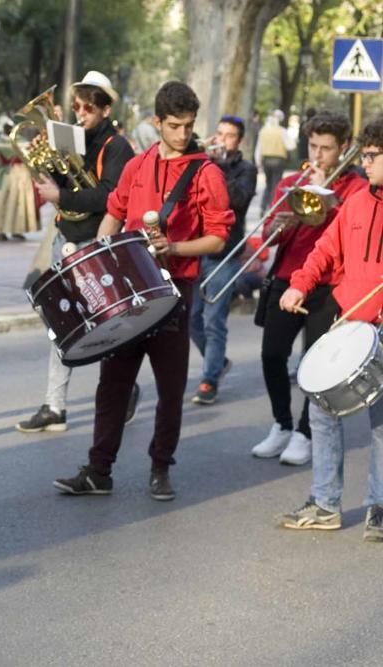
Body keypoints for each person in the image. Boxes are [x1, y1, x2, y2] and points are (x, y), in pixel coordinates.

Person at [53, 81, 234, 501]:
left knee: (170, 388)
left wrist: (174, 248)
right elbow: (113, 213)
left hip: (174, 289)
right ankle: (99, 470)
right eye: (174, 125)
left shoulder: (206, 173)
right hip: (129, 286)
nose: (183, 134)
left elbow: (219, 238)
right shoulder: (138, 164)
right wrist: (96, 260)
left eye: (188, 126)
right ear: (157, 123)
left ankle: (160, 467)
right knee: (112, 383)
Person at [275, 117, 383, 540]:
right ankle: (325, 504)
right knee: (320, 409)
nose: (366, 163)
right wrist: (298, 284)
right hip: (348, 321)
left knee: (381, 425)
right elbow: (324, 249)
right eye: (365, 155)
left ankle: (379, 507)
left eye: (373, 156)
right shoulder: (356, 202)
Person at [13, 71, 137, 434]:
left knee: (102, 322)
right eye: (77, 106)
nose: (80, 113)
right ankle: (55, 406)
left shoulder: (118, 147)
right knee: (59, 321)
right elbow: (60, 182)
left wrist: (61, 196)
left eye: (87, 107)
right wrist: (45, 163)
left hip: (94, 242)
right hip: (65, 236)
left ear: (105, 108)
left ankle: (124, 387)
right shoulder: (71, 138)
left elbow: (110, 197)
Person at [250, 112, 367, 465]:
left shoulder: (357, 188)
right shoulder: (295, 181)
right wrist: (282, 223)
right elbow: (269, 230)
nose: (318, 155)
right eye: (313, 146)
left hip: (328, 284)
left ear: (343, 148)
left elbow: (356, 233)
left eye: (326, 148)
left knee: (313, 365)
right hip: (288, 277)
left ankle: (304, 432)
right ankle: (282, 423)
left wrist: (330, 201)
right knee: (272, 354)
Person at [189, 115, 258, 404]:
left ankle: (209, 379)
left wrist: (215, 168)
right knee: (191, 320)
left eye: (228, 135)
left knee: (213, 320)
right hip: (194, 248)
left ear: (238, 141)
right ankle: (217, 363)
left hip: (224, 252)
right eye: (218, 133)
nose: (221, 139)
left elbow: (237, 201)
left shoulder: (245, 169)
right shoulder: (202, 164)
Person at [255, 109, 293, 213]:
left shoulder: (263, 131)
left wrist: (258, 163)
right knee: (275, 184)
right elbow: (290, 145)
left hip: (266, 160)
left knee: (268, 184)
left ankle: (263, 206)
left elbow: (258, 149)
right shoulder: (282, 131)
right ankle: (272, 207)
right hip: (278, 160)